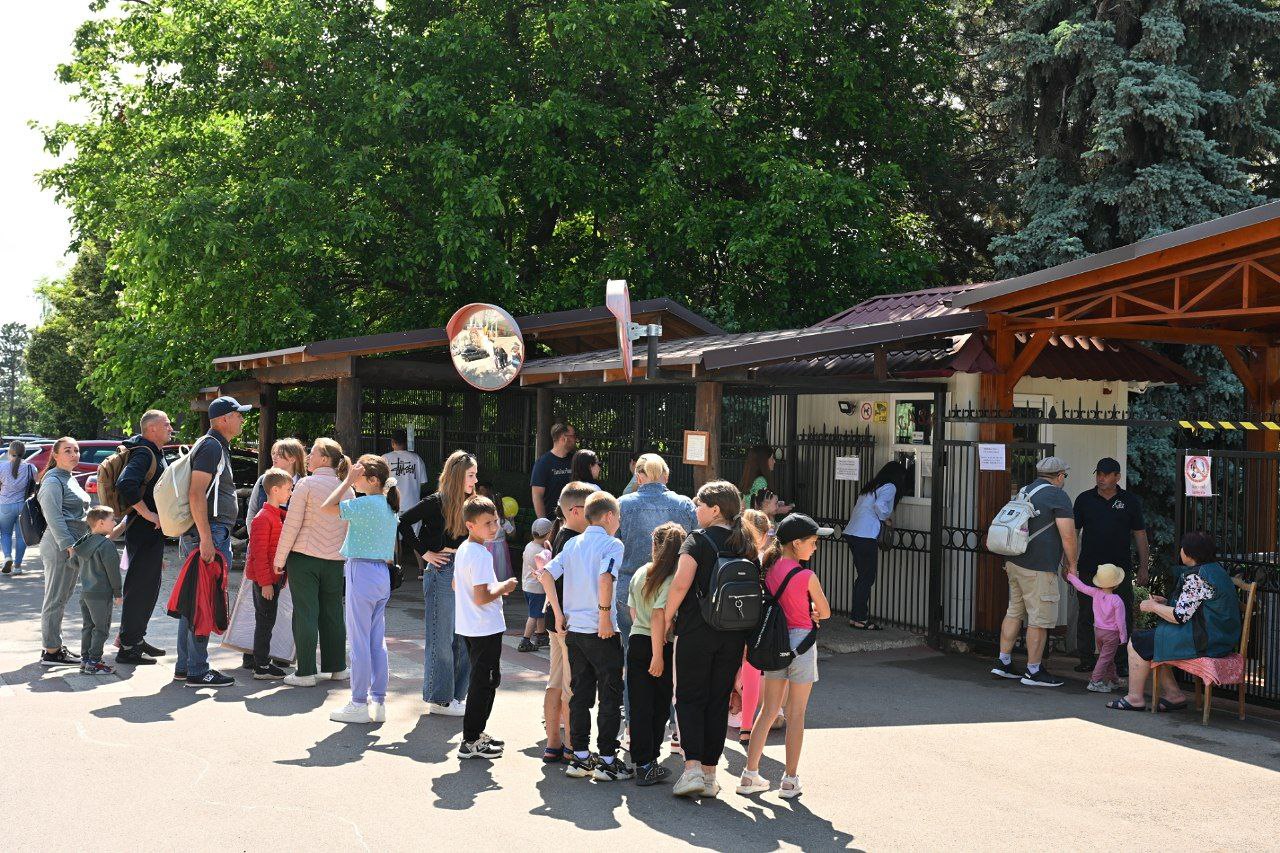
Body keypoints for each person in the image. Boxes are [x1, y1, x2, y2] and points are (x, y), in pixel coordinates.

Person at [664, 480, 759, 798]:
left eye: (700, 505)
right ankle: (709, 774)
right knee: (718, 701)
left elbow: (680, 584)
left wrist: (667, 618)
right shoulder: (745, 543)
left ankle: (691, 769)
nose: (696, 509)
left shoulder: (697, 540)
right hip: (733, 634)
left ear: (715, 509)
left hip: (696, 630)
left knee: (689, 697)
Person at [537, 490, 630, 781]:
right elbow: (606, 576)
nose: (619, 523)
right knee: (610, 695)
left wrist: (558, 613)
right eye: (618, 517)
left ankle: (579, 756)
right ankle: (607, 760)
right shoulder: (612, 543)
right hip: (601, 630)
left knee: (580, 694)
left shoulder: (573, 543)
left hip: (574, 629)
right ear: (609, 516)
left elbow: (546, 574)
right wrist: (604, 615)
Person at [739, 513, 833, 799]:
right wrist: (814, 612)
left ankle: (750, 774)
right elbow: (825, 612)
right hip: (801, 643)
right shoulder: (806, 576)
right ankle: (790, 780)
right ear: (796, 543)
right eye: (812, 542)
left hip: (773, 643)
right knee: (796, 714)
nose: (815, 547)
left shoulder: (768, 569)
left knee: (768, 710)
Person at [1108, 531, 1243, 712]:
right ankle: (1173, 694)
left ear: (1189, 553)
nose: (1180, 551)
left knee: (1138, 641)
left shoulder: (1197, 577)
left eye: (1182, 548)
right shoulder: (1215, 569)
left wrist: (1153, 607)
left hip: (1206, 640)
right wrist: (1164, 603)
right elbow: (1195, 606)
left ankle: (1134, 698)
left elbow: (1179, 617)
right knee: (1154, 641)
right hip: (1220, 637)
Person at [320, 455, 400, 724]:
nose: (355, 478)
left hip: (361, 571)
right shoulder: (389, 506)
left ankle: (358, 703)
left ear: (373, 480)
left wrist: (346, 482)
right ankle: (378, 700)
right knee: (376, 641)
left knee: (359, 642)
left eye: (360, 475)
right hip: (381, 574)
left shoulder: (365, 504)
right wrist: (352, 479)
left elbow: (327, 507)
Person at [178, 396, 250, 688]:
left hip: (207, 532)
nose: (242, 419)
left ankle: (186, 667)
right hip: (209, 534)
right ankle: (197, 670)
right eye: (238, 414)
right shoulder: (212, 447)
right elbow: (196, 493)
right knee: (203, 602)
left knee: (193, 601)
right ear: (223, 419)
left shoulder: (213, 445)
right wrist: (207, 538)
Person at [398, 450, 477, 716]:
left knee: (464, 637)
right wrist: (424, 552)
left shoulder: (472, 503)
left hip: (466, 570)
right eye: (471, 475)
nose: (475, 480)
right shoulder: (436, 501)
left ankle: (456, 695)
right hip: (442, 570)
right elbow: (402, 521)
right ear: (457, 476)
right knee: (441, 637)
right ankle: (440, 699)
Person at [990, 456, 1077, 688]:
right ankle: (1034, 670)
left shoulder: (1025, 491)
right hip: (1039, 567)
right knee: (1039, 619)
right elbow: (1069, 535)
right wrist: (1072, 565)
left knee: (1014, 611)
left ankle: (1003, 662)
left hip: (1014, 561)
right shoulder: (1057, 495)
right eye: (1064, 476)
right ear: (1060, 476)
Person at [273, 437, 352, 688]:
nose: (308, 456)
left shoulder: (305, 484)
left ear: (325, 459)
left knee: (306, 612)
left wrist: (279, 559)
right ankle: (337, 667)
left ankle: (305, 672)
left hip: (304, 558)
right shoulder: (347, 489)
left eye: (313, 453)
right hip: (335, 560)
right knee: (333, 612)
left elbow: (292, 524)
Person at [454, 495, 518, 758]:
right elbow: (481, 596)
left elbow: (457, 585)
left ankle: (476, 733)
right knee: (484, 683)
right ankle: (471, 739)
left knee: (484, 680)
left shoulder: (464, 549)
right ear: (470, 525)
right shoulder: (479, 554)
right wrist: (505, 586)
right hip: (484, 627)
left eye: (495, 521)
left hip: (472, 626)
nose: (494, 528)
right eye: (487, 523)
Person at [1072, 458, 1149, 677]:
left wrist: (1144, 567)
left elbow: (1140, 534)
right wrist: (1070, 562)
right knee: (1086, 612)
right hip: (1089, 567)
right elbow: (1074, 532)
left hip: (1119, 570)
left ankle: (1121, 661)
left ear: (1117, 476)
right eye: (1098, 474)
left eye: (1106, 474)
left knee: (1122, 614)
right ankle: (1086, 659)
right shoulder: (1084, 499)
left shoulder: (1130, 501)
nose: (1101, 478)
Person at [537, 481, 593, 763]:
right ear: (575, 511)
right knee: (571, 686)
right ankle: (572, 745)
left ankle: (553, 743)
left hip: (556, 618)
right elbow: (548, 577)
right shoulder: (573, 541)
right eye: (590, 510)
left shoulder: (562, 534)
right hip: (566, 621)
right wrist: (560, 614)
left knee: (556, 681)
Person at [616, 454, 697, 646]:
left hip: (630, 588)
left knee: (632, 651)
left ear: (638, 478)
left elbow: (614, 544)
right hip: (674, 588)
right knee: (671, 652)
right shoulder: (684, 504)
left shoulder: (622, 504)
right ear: (666, 476)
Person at [626, 521, 685, 786]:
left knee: (639, 705)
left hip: (637, 640)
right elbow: (659, 614)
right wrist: (658, 654)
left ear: (654, 545)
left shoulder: (641, 572)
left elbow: (633, 611)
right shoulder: (671, 578)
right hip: (657, 644)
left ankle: (643, 762)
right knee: (658, 707)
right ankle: (649, 761)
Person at [114, 409, 173, 665]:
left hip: (150, 533)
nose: (171, 428)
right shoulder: (144, 453)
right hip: (143, 531)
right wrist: (148, 514)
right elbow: (125, 483)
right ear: (151, 429)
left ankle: (136, 638)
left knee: (149, 588)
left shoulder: (154, 452)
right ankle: (128, 647)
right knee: (140, 588)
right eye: (166, 424)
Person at [38, 437, 90, 668]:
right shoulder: (52, 480)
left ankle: (54, 645)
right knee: (55, 598)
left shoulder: (69, 477)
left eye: (76, 450)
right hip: (60, 546)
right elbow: (53, 516)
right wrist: (69, 545)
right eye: (68, 450)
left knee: (62, 597)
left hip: (73, 545)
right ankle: (52, 652)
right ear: (56, 455)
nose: (74, 454)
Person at [842, 460, 908, 631]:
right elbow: (880, 506)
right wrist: (885, 518)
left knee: (862, 577)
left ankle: (856, 616)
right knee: (867, 577)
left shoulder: (872, 486)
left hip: (853, 533)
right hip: (866, 535)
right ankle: (860, 618)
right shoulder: (890, 486)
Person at [244, 468, 293, 680]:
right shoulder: (263, 518)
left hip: (273, 579)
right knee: (265, 622)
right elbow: (258, 555)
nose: (290, 493)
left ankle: (261, 662)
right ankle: (261, 666)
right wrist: (265, 583)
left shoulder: (275, 515)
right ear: (275, 490)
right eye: (288, 489)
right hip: (266, 581)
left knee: (267, 620)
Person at [735, 507, 774, 745]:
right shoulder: (764, 560)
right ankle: (747, 725)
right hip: (755, 619)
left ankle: (737, 720)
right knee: (752, 671)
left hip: (732, 617)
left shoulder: (735, 554)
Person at [74, 506, 125, 675]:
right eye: (112, 520)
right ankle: (94, 662)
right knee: (101, 628)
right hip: (101, 595)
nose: (115, 523)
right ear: (101, 522)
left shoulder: (83, 542)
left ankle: (85, 660)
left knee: (88, 626)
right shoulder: (106, 545)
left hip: (85, 593)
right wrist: (118, 593)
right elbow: (113, 572)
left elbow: (72, 563)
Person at [1065, 563, 1127, 693]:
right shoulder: (1117, 600)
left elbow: (1081, 587)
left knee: (1107, 657)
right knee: (1105, 658)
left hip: (1098, 632)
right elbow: (1121, 621)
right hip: (1112, 634)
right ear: (1116, 584)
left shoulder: (1095, 593)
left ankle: (1114, 680)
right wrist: (1123, 636)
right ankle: (1095, 681)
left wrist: (1070, 576)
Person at [245, 438, 307, 535]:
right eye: (273, 453)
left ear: (292, 459)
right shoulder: (263, 480)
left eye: (279, 454)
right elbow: (252, 512)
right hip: (262, 539)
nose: (274, 457)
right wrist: (253, 537)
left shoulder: (304, 485)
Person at [0, 440, 39, 576]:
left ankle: (7, 557)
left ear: (10, 452)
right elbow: (34, 484)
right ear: (24, 453)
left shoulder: (1, 467)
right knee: (21, 536)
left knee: (5, 534)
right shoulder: (30, 468)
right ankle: (17, 566)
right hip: (23, 506)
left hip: (4, 505)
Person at [518, 517, 553, 652]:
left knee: (539, 612)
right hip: (537, 589)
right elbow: (547, 570)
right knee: (533, 615)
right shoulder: (542, 552)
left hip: (527, 586)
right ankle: (525, 640)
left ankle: (540, 635)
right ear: (548, 534)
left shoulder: (529, 546)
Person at [530, 422, 577, 520]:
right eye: (573, 436)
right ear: (564, 438)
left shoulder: (575, 460)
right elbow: (537, 496)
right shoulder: (543, 463)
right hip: (552, 521)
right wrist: (544, 523)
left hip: (574, 520)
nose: (575, 439)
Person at [475, 482, 514, 581]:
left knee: (485, 569)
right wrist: (511, 520)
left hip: (484, 546)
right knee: (499, 569)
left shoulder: (481, 519)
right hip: (499, 548)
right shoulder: (503, 521)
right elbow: (512, 533)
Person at [739, 445, 793, 514]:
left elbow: (755, 502)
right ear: (763, 461)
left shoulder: (751, 478)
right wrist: (779, 510)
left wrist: (776, 503)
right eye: (772, 458)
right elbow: (761, 509)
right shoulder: (761, 481)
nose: (774, 461)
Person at [383, 428, 427, 510]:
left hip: (391, 505)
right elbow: (422, 482)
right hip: (413, 505)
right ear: (406, 442)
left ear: (392, 442)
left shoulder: (384, 459)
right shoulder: (416, 458)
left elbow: (379, 482)